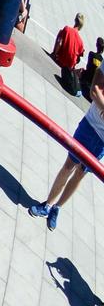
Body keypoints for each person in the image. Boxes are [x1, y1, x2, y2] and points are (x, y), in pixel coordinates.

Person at [28, 60, 104, 232]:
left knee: (80, 174)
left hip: (102, 141)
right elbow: (94, 90)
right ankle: (48, 204)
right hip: (91, 125)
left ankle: (57, 207)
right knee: (69, 165)